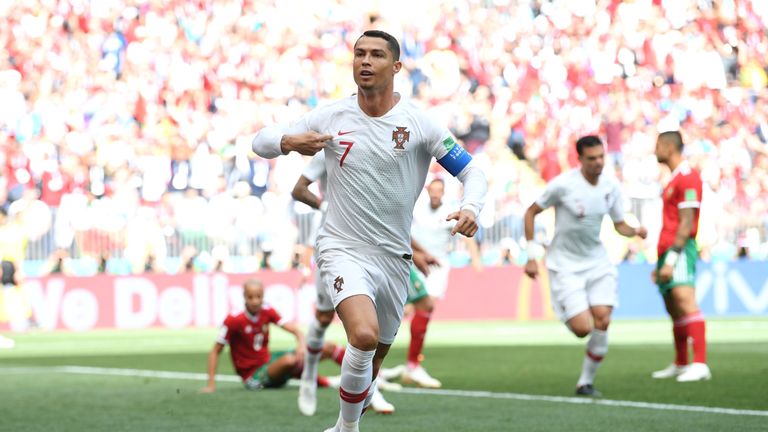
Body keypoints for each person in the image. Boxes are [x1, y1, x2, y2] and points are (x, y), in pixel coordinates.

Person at [252, 30, 487, 432]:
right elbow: (261, 141)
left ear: (396, 67)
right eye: (359, 53)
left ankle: (344, 425)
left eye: (376, 55)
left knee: (373, 359)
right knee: (361, 335)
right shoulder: (332, 116)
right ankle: (348, 428)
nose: (365, 60)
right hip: (342, 247)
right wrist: (290, 141)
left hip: (394, 257)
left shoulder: (420, 123)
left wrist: (470, 207)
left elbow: (473, 172)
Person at [523, 135, 647, 397]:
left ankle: (585, 382)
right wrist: (532, 255)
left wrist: (635, 231)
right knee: (583, 329)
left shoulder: (611, 186)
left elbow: (619, 224)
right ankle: (566, 309)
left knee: (603, 318)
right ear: (579, 159)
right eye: (592, 159)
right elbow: (531, 212)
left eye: (601, 157)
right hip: (564, 264)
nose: (598, 163)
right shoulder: (563, 185)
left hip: (597, 261)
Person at [291, 151, 395, 416]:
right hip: (334, 245)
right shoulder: (332, 148)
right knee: (325, 316)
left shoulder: (379, 149)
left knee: (367, 325)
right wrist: (328, 208)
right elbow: (299, 189)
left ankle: (370, 391)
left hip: (372, 245)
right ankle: (309, 375)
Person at [394, 178, 482, 388]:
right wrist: (418, 253)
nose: (435, 194)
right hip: (415, 262)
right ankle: (409, 365)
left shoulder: (450, 211)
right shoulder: (417, 208)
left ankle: (410, 364)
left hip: (438, 264)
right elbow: (403, 229)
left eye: (438, 191)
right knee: (422, 306)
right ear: (428, 191)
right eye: (432, 191)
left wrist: (475, 258)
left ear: (442, 192)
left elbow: (466, 234)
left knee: (422, 307)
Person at [201, 279, 340, 392]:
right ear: (244, 296)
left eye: (259, 297)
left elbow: (297, 331)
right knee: (289, 361)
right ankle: (327, 382)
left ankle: (359, 377)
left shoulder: (267, 311)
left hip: (269, 362)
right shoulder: (234, 319)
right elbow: (215, 351)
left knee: (327, 346)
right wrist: (211, 385)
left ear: (263, 296)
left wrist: (301, 345)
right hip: (253, 376)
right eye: (250, 297)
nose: (255, 301)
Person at [650, 131, 710, 382]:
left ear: (668, 147)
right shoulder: (673, 179)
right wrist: (661, 260)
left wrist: (673, 257)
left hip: (680, 249)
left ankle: (700, 363)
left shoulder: (688, 177)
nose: (655, 151)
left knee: (685, 301)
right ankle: (682, 362)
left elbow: (686, 222)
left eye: (657, 146)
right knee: (673, 307)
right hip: (666, 250)